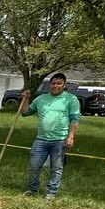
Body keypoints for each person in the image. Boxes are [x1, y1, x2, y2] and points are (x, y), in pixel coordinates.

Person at [19, 72, 80, 201]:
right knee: (34, 166)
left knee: (56, 168)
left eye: (59, 83)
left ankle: (51, 192)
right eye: (53, 83)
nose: (55, 86)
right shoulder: (41, 99)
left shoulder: (71, 99)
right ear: (49, 85)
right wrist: (26, 98)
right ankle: (32, 189)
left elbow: (74, 119)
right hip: (41, 139)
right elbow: (24, 113)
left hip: (60, 140)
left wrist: (70, 137)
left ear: (64, 85)